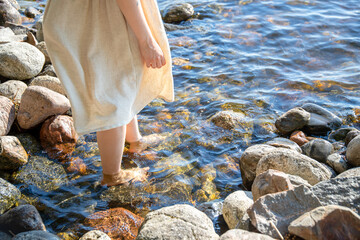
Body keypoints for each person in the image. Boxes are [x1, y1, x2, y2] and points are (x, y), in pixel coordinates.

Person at [42, 0, 174, 187]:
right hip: (103, 21)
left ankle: (134, 141)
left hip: (84, 17)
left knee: (123, 80)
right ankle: (112, 175)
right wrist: (147, 40)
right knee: (113, 95)